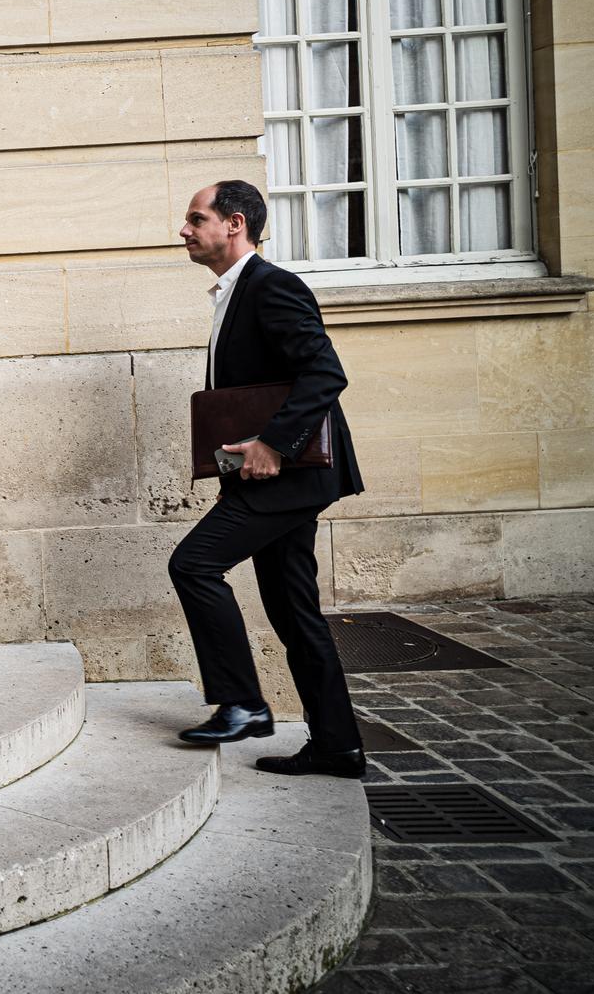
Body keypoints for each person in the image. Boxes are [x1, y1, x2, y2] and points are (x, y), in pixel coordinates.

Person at [170, 180, 366, 778]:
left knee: (194, 564)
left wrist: (272, 444)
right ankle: (338, 746)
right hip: (278, 482)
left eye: (195, 218)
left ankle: (244, 702)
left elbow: (324, 373)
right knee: (295, 615)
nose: (184, 229)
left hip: (285, 479)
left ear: (234, 224)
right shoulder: (233, 292)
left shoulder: (273, 286)